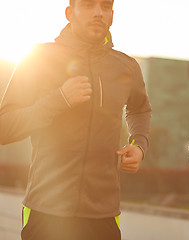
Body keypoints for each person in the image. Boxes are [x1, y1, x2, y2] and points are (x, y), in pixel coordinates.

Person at [0, 0, 151, 239]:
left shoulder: (127, 67)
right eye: (89, 5)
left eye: (105, 6)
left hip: (104, 215)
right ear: (69, 13)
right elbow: (4, 128)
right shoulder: (38, 58)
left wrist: (139, 144)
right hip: (45, 212)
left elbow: (140, 109)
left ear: (112, 15)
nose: (98, 13)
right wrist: (59, 99)